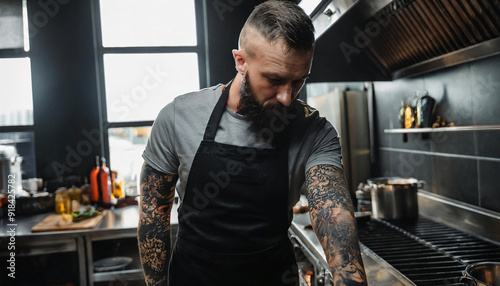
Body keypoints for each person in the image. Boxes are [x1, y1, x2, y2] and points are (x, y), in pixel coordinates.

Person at [138, 1, 367, 285]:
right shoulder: (178, 117)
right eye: (274, 79)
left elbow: (335, 218)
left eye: (298, 82)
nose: (286, 97)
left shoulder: (314, 131)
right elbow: (152, 219)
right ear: (240, 61)